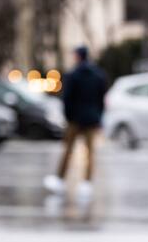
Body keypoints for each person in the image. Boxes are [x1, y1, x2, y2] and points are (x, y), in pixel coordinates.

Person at [43, 45, 107, 199]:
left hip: (76, 119)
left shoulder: (73, 75)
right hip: (92, 119)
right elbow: (101, 99)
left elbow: (67, 99)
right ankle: (87, 182)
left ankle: (60, 179)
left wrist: (69, 116)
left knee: (67, 150)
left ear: (78, 57)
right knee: (90, 153)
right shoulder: (99, 75)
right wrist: (98, 116)